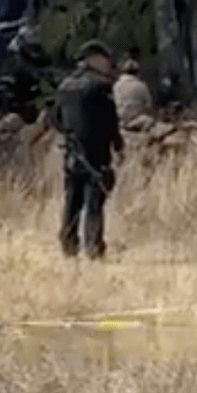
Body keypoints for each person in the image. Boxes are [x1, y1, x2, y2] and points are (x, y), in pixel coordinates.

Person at [52, 40, 125, 259]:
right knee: (94, 202)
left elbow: (54, 118)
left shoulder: (65, 85)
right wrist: (118, 145)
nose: (108, 64)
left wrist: (70, 133)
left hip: (72, 152)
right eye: (105, 59)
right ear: (94, 59)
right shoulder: (100, 85)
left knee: (72, 201)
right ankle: (93, 247)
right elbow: (110, 120)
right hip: (96, 152)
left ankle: (69, 244)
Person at [113, 57, 153, 125]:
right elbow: (149, 105)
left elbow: (118, 106)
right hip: (143, 118)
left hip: (126, 121)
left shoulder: (117, 86)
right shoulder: (142, 84)